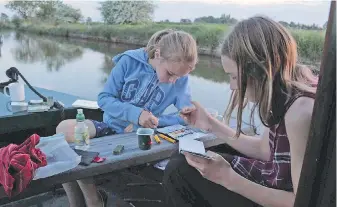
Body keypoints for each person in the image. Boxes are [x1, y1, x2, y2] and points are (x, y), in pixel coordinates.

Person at [163, 16, 318, 207]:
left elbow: (301, 202)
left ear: (258, 69)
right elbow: (264, 150)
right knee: (186, 158)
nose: (232, 86)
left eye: (234, 76)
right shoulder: (289, 86)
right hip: (273, 177)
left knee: (179, 171)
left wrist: (227, 178)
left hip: (282, 198)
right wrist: (210, 124)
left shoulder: (300, 112)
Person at [56, 29, 198, 207]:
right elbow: (104, 99)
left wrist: (157, 120)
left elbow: (183, 116)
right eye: (170, 74)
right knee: (63, 131)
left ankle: (93, 200)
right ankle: (90, 197)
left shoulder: (180, 78)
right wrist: (136, 114)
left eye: (180, 76)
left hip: (142, 136)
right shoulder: (128, 62)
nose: (173, 81)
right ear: (158, 54)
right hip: (110, 126)